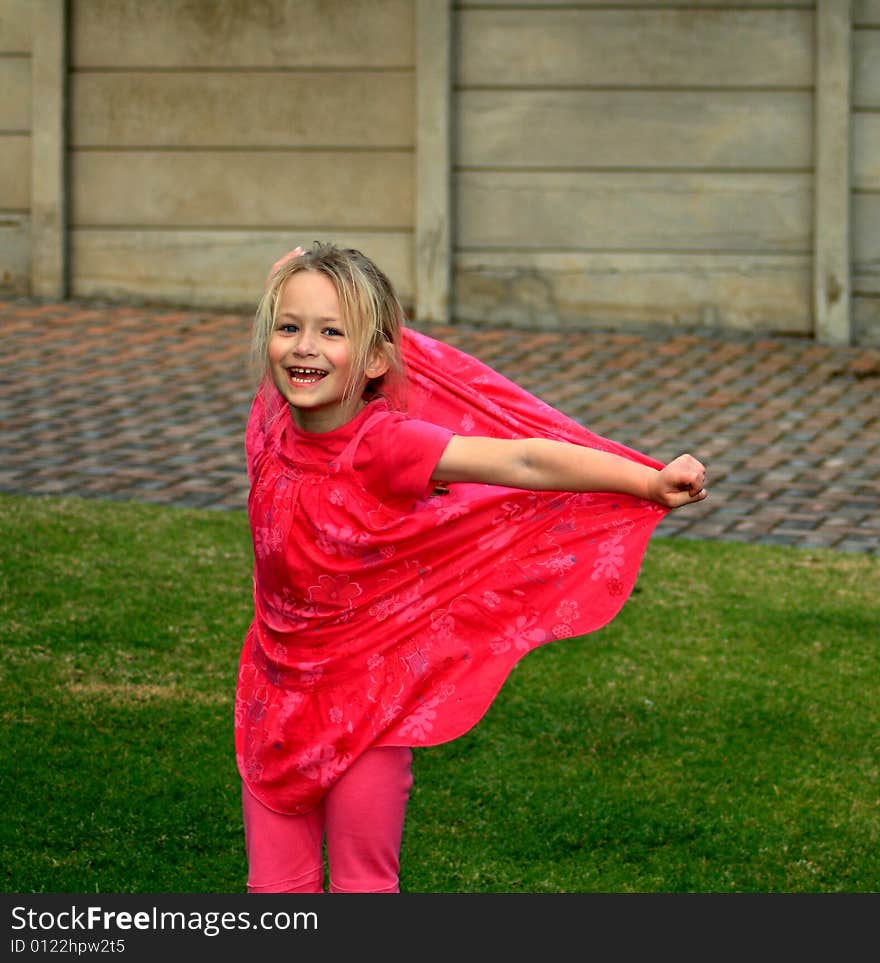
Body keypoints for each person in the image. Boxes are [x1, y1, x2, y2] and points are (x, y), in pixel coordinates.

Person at [236, 241, 707, 894]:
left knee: (362, 886)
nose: (303, 347)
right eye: (289, 328)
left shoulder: (387, 445)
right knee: (274, 893)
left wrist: (648, 482)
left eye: (331, 332)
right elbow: (289, 297)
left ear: (376, 358)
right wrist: (300, 266)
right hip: (276, 698)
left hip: (372, 700)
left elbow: (524, 464)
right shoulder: (272, 426)